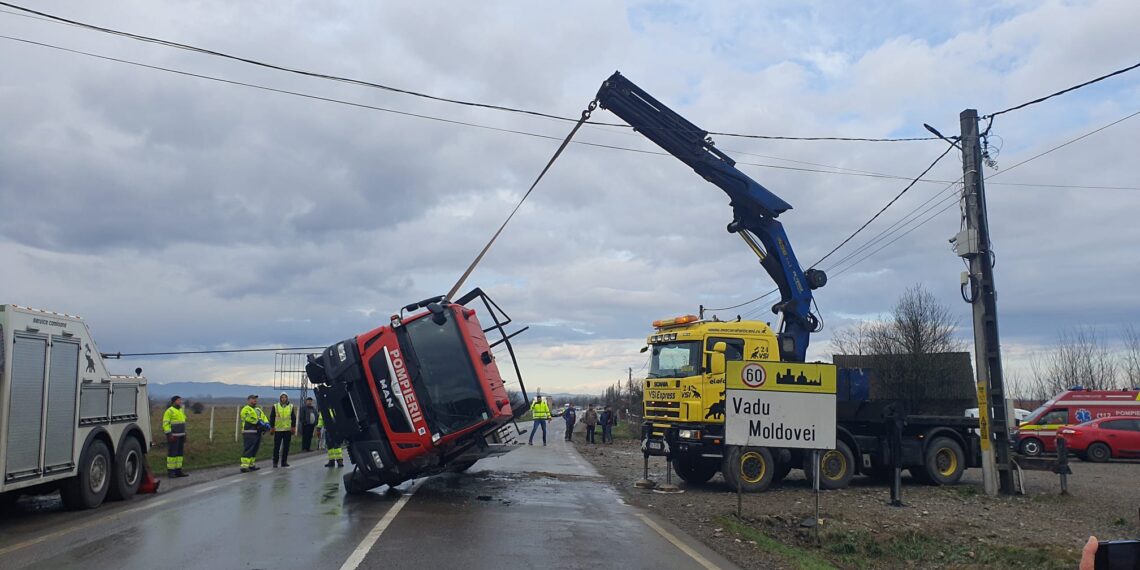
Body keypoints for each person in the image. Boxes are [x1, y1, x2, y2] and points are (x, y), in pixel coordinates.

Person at [239, 394, 269, 473]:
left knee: (255, 449)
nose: (255, 400)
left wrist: (266, 423)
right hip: (249, 432)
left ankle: (251, 465)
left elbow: (263, 417)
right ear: (248, 400)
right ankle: (244, 466)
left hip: (257, 432)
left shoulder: (258, 409)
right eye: (253, 399)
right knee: (249, 448)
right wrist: (258, 422)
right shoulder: (246, 409)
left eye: (256, 399)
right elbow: (247, 417)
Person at [162, 396, 189, 478]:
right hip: (173, 436)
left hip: (181, 435)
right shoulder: (169, 411)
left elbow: (183, 422)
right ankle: (171, 472)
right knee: (172, 454)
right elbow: (165, 424)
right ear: (174, 401)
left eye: (180, 400)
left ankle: (178, 471)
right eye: (178, 400)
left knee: (180, 454)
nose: (180, 402)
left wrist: (185, 434)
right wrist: (169, 434)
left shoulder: (181, 410)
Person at [269, 393, 297, 468]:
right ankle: (275, 462)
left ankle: (284, 462)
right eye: (282, 397)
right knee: (276, 447)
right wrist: (272, 427)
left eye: (285, 397)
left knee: (286, 447)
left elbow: (293, 417)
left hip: (287, 430)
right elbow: (272, 417)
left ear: (287, 398)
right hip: (278, 429)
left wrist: (293, 427)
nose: (284, 399)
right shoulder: (276, 406)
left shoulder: (291, 406)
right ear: (280, 398)